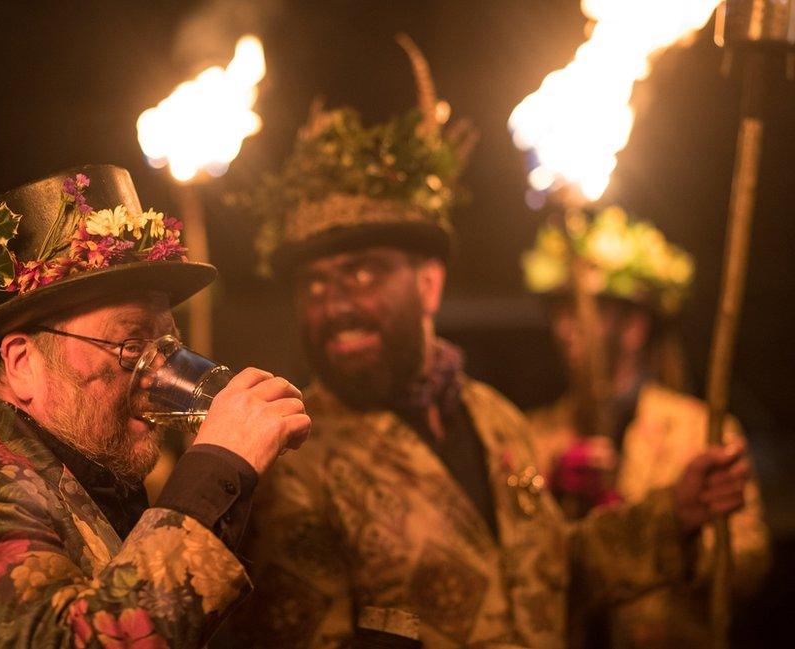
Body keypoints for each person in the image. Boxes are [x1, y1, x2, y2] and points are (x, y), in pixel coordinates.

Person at [222, 39, 753, 649]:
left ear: (428, 284)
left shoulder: (496, 419)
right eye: (313, 282)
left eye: (364, 273)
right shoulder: (294, 457)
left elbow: (550, 581)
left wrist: (672, 518)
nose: (334, 302)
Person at [0, 165, 310, 647]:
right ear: (23, 363)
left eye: (168, 344)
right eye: (131, 347)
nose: (157, 372)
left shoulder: (84, 480)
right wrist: (217, 469)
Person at [523, 206, 770, 648]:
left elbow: (749, 566)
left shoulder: (701, 432)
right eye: (558, 313)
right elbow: (517, 568)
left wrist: (676, 529)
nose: (565, 330)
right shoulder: (532, 434)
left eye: (583, 312)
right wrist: (550, 494)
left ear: (635, 327)